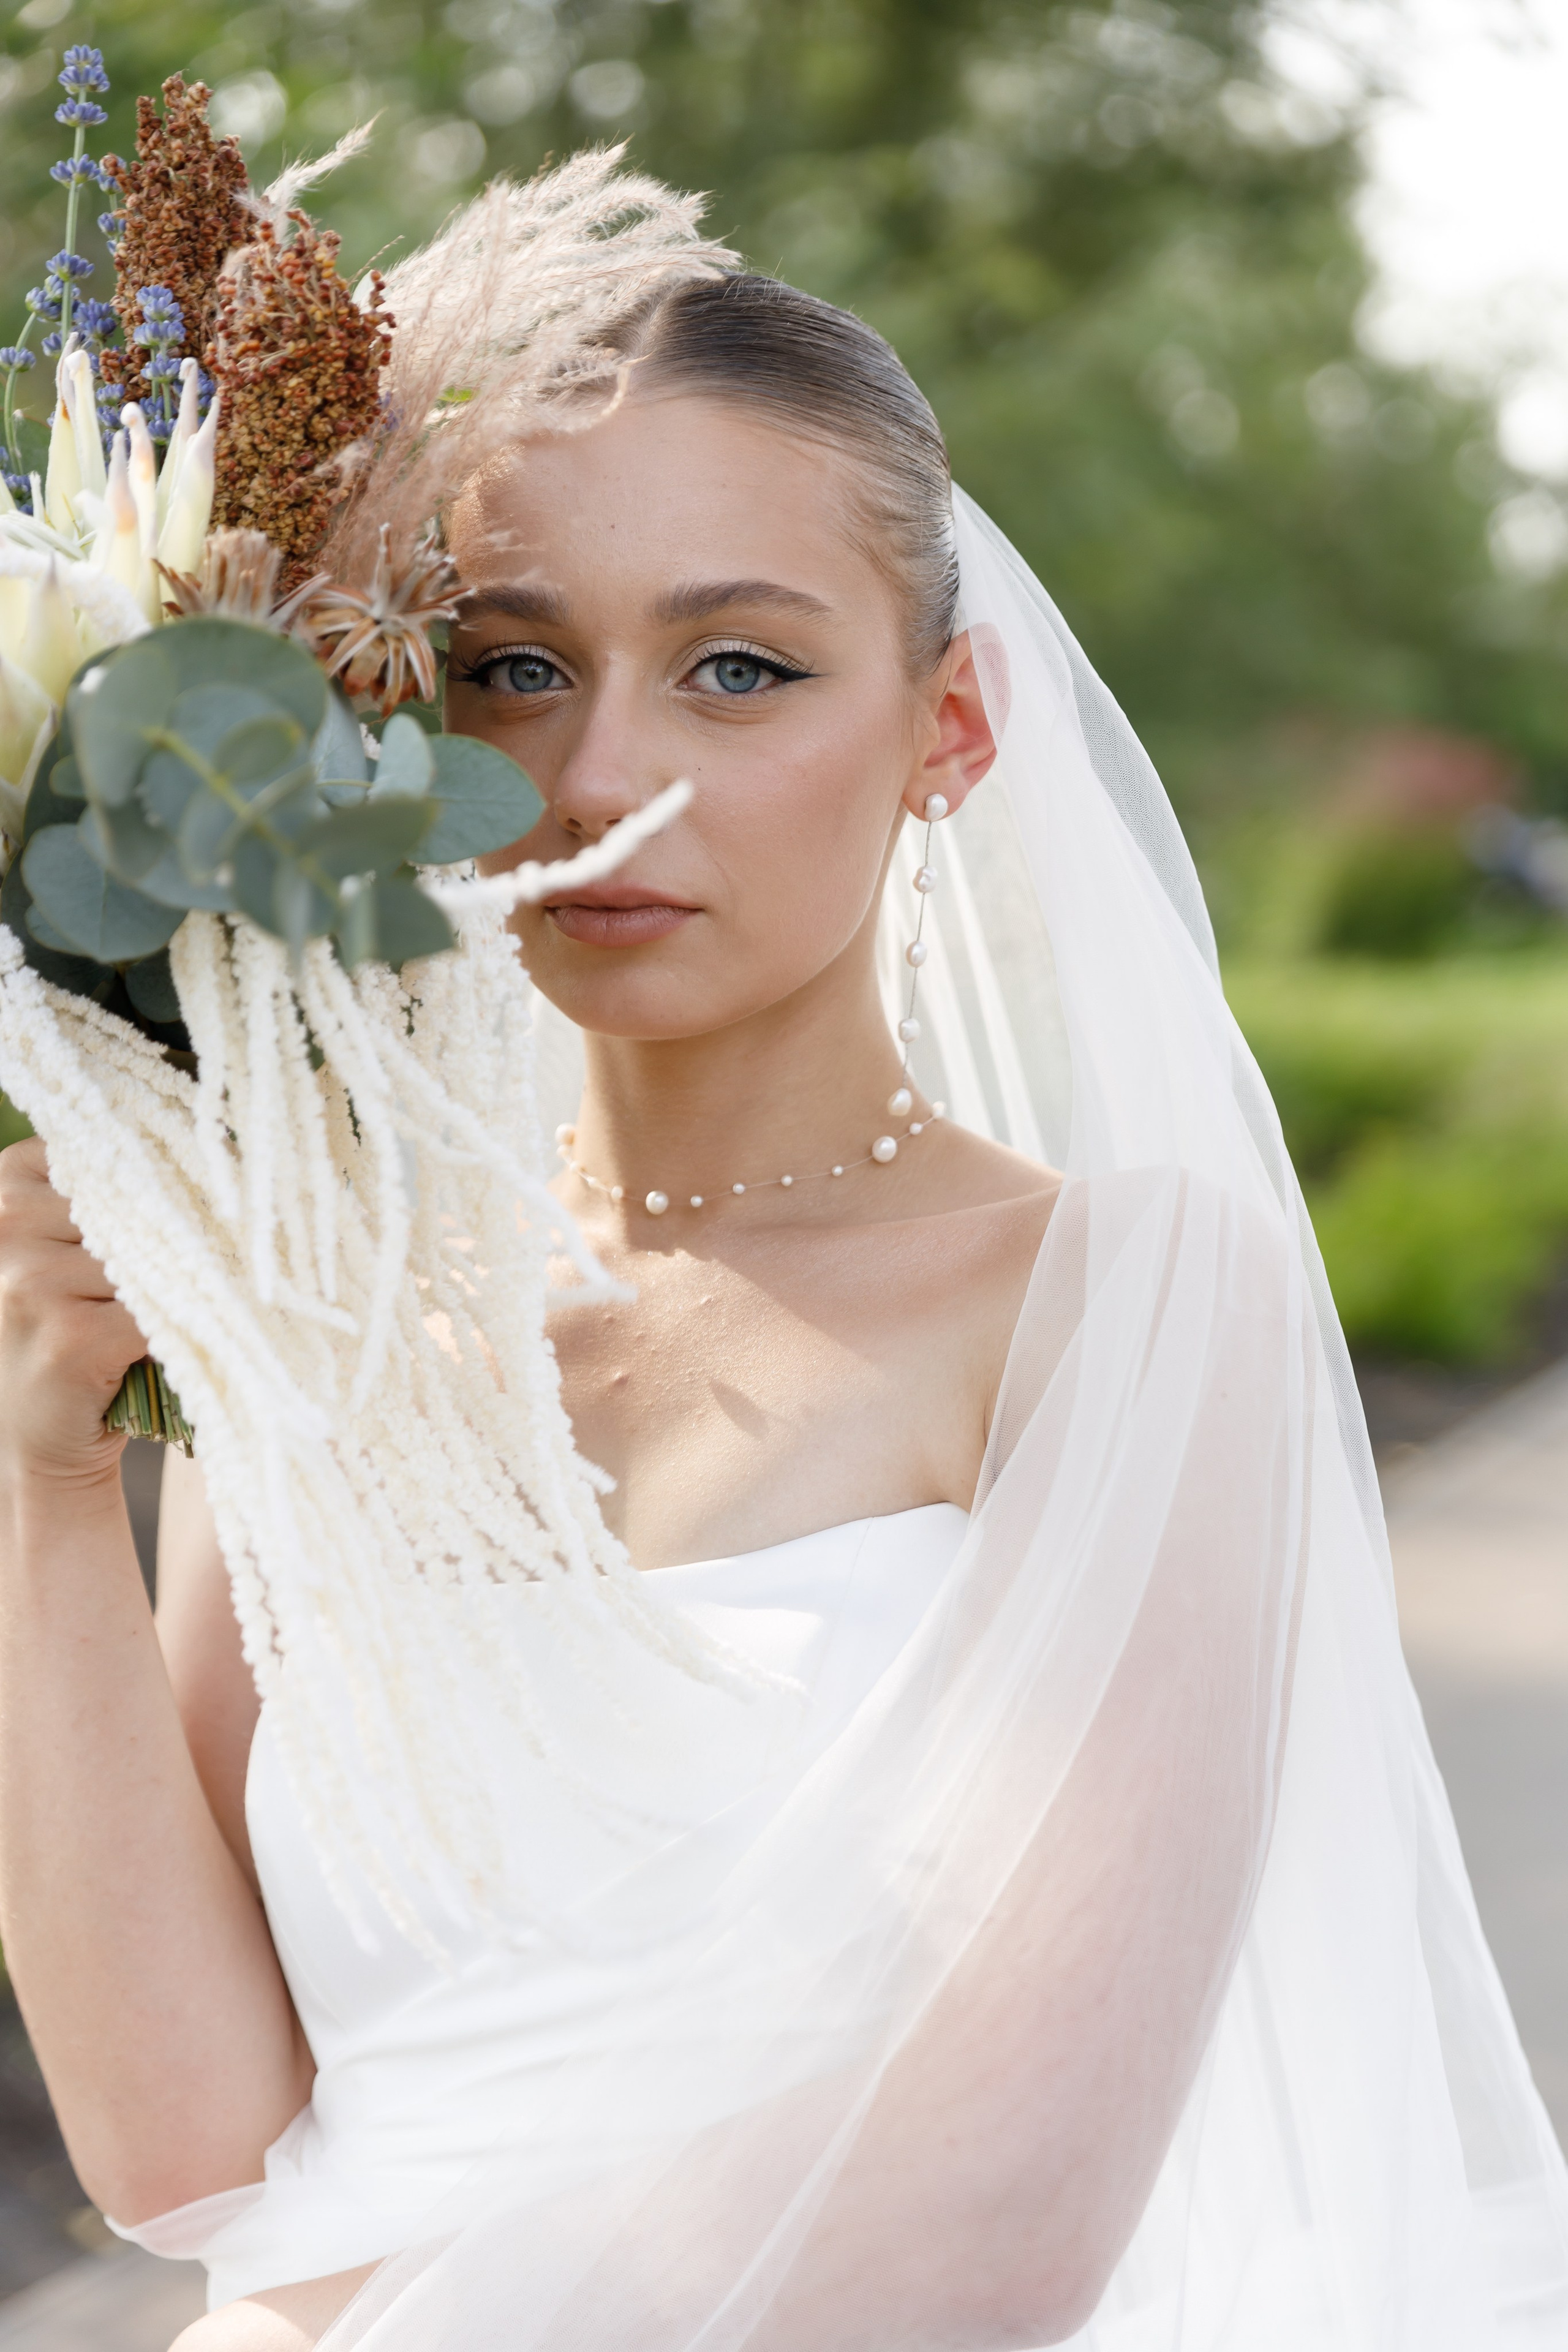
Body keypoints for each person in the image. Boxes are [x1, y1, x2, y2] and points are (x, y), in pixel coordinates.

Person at [1, 200, 1565, 2352]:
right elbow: (186, 2158)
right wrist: (46, 1484)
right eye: (514, 665)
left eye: (739, 668)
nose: (603, 779)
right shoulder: (324, 1304)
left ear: (950, 729)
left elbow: (991, 2226)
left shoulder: (1112, 1306)